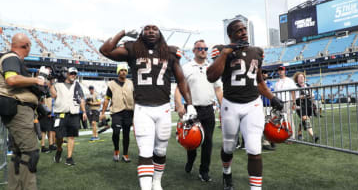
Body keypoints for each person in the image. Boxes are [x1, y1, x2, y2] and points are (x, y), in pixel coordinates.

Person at [99, 24, 196, 190]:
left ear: (160, 34)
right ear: (141, 33)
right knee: (145, 151)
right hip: (143, 109)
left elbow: (181, 80)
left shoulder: (170, 52)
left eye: (155, 29)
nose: (151, 31)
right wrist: (123, 32)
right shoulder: (134, 49)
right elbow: (105, 50)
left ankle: (157, 182)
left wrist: (190, 104)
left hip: (163, 108)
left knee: (160, 151)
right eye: (147, 28)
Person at [207, 20, 283, 190]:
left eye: (244, 29)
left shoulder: (256, 52)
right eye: (238, 30)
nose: (243, 32)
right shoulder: (221, 49)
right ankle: (227, 173)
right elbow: (211, 76)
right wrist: (226, 52)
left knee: (255, 148)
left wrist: (272, 97)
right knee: (228, 146)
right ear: (230, 35)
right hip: (230, 104)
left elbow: (259, 82)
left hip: (252, 104)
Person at [0, 33, 44, 190]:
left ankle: (15, 187)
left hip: (16, 110)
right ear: (26, 45)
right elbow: (11, 79)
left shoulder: (10, 58)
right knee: (30, 153)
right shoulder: (12, 57)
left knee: (19, 154)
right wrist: (36, 80)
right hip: (19, 110)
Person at [174, 39, 223, 182]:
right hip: (192, 109)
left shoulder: (213, 67)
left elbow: (218, 89)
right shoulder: (187, 67)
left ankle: (204, 171)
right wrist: (179, 105)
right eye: (199, 48)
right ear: (194, 51)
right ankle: (190, 160)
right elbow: (178, 89)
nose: (203, 50)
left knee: (208, 142)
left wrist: (224, 108)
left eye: (205, 48)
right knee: (191, 142)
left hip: (208, 109)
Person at [50, 67, 87, 166]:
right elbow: (53, 95)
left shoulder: (77, 85)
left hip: (74, 114)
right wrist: (51, 84)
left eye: (75, 74)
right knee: (59, 136)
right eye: (71, 73)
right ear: (67, 74)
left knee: (71, 136)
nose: (73, 75)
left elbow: (81, 99)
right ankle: (59, 148)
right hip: (60, 113)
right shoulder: (58, 84)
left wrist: (84, 112)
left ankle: (69, 157)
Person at [100, 63, 134, 162]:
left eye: (125, 70)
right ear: (118, 72)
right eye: (121, 70)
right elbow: (107, 99)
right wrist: (102, 113)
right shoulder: (111, 84)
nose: (123, 72)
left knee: (126, 134)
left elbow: (135, 98)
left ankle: (125, 154)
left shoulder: (131, 83)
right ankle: (116, 150)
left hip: (128, 111)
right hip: (116, 111)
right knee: (116, 132)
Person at [293, 72, 319, 143]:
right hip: (300, 105)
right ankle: (313, 136)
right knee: (306, 120)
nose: (301, 78)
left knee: (304, 120)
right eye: (299, 77)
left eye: (302, 77)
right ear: (297, 79)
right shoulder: (295, 87)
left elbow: (312, 95)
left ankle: (299, 133)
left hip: (308, 105)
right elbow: (296, 97)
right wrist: (303, 97)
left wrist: (310, 95)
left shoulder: (308, 85)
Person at [274, 66, 297, 140]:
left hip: (287, 102)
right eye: (279, 70)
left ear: (284, 71)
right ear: (278, 72)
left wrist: (294, 102)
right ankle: (284, 136)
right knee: (282, 120)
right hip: (279, 103)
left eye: (282, 70)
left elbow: (293, 91)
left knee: (289, 119)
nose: (280, 71)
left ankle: (292, 136)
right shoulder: (277, 82)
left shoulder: (289, 80)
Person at [261, 70, 276, 151]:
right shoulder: (258, 83)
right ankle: (265, 142)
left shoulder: (270, 84)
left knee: (270, 123)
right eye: (262, 73)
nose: (264, 74)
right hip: (262, 106)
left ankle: (270, 140)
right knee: (265, 124)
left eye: (265, 73)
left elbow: (273, 94)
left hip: (269, 106)